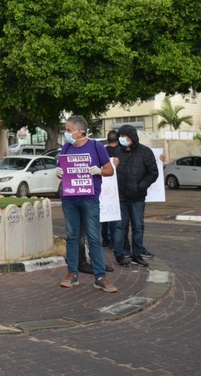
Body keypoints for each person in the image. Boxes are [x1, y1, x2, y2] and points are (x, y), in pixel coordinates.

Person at [56, 115, 118, 293]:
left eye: (68, 130)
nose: (66, 133)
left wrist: (99, 170)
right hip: (69, 198)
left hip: (89, 198)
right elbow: (62, 168)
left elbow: (109, 170)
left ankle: (100, 276)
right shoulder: (66, 147)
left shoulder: (95, 147)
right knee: (72, 236)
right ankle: (72, 274)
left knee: (93, 237)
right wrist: (59, 172)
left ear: (79, 131)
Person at [111, 124, 159, 268]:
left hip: (137, 197)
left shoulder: (145, 152)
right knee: (120, 226)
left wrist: (141, 186)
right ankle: (119, 254)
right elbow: (109, 170)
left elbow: (153, 173)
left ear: (132, 137)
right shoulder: (116, 152)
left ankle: (136, 255)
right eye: (120, 136)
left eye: (125, 136)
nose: (122, 139)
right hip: (120, 197)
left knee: (138, 226)